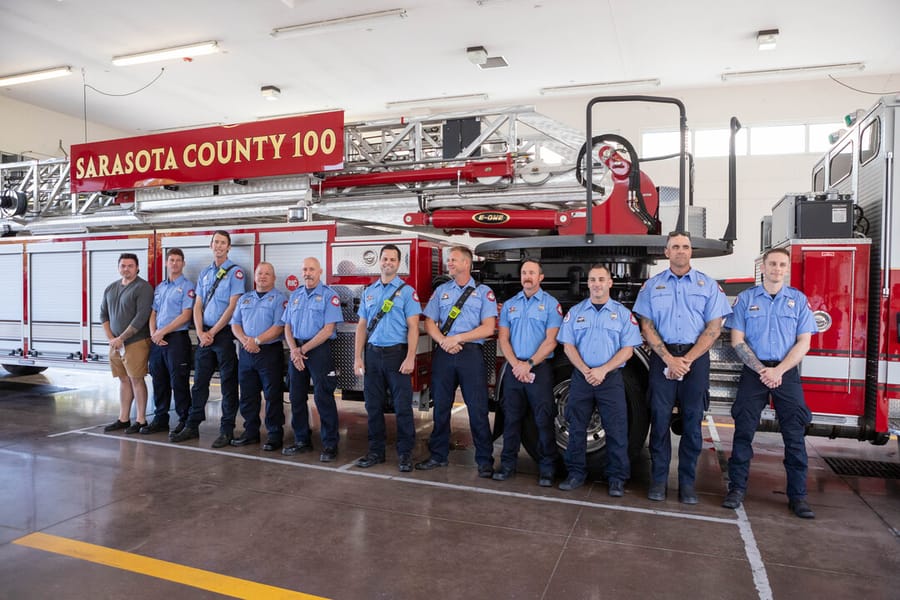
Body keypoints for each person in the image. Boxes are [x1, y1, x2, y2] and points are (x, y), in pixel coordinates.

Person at [632, 231, 731, 504]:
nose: (680, 251)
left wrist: (686, 360)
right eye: (675, 246)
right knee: (660, 421)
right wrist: (668, 359)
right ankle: (659, 481)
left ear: (691, 252)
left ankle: (687, 484)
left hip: (694, 360)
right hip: (663, 358)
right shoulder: (652, 286)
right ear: (666, 252)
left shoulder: (707, 285)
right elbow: (647, 327)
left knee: (692, 423)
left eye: (685, 247)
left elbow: (714, 328)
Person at [723, 247, 818, 518]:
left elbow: (804, 342)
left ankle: (798, 497)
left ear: (787, 269)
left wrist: (779, 371)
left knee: (795, 435)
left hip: (786, 374)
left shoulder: (798, 301)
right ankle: (736, 489)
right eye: (773, 264)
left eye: (782, 265)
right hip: (755, 373)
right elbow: (737, 340)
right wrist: (762, 369)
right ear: (762, 268)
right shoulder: (745, 299)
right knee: (743, 432)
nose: (777, 269)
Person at [557, 264, 643, 495]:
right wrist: (586, 370)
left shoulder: (623, 314)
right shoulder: (575, 312)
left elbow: (628, 350)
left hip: (610, 379)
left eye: (601, 279)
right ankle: (575, 474)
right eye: (593, 279)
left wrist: (603, 370)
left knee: (616, 430)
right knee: (576, 428)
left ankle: (616, 478)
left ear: (610, 283)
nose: (597, 284)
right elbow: (568, 346)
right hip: (582, 377)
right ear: (588, 284)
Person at [416, 246, 497, 477]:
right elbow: (429, 321)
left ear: (466, 263)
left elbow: (488, 327)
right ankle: (438, 456)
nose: (449, 263)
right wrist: (443, 340)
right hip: (444, 352)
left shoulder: (484, 293)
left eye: (453, 260)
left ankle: (484, 461)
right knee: (441, 407)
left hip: (470, 354)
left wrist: (458, 338)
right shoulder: (441, 291)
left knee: (477, 409)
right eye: (448, 260)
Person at [171, 230, 246, 447]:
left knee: (228, 386)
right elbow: (197, 305)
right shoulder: (204, 274)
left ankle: (227, 430)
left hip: (222, 337)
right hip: (204, 336)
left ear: (228, 247)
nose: (219, 246)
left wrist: (212, 333)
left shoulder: (236, 273)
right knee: (199, 385)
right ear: (211, 246)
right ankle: (192, 426)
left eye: (223, 243)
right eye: (216, 242)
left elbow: (233, 306)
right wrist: (201, 332)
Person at [493, 259, 562, 487]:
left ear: (541, 277)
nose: (527, 276)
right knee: (511, 420)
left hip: (539, 370)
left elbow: (551, 341)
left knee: (543, 420)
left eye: (532, 272)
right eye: (524, 272)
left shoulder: (551, 305)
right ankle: (507, 466)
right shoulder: (510, 305)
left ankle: (547, 470)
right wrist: (516, 365)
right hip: (514, 369)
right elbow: (503, 338)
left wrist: (529, 364)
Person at [353, 244, 421, 472]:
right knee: (373, 406)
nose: (388, 262)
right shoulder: (369, 292)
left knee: (402, 408)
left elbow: (413, 327)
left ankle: (405, 454)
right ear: (379, 261)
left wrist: (411, 357)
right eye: (385, 259)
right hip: (372, 355)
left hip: (397, 355)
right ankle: (376, 452)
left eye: (393, 259)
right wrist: (358, 358)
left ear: (398, 263)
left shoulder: (407, 292)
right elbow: (362, 326)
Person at [281, 257, 342, 462]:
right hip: (296, 349)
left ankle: (330, 444)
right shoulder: (295, 295)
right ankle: (301, 441)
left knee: (322, 397)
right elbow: (287, 326)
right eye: (305, 269)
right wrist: (294, 350)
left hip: (318, 350)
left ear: (320, 271)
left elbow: (328, 330)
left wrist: (302, 350)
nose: (307, 273)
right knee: (296, 397)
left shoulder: (328, 296)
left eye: (311, 269)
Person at [230, 262, 287, 450]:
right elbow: (235, 324)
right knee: (248, 394)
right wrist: (246, 341)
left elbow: (279, 326)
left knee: (272, 395)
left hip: (269, 353)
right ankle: (251, 432)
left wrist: (257, 341)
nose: (263, 277)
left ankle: (274, 435)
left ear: (274, 278)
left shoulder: (280, 299)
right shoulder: (245, 299)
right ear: (254, 276)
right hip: (246, 352)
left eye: (267, 274)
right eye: (260, 273)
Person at [141, 248, 195, 435]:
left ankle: (184, 420)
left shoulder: (187, 287)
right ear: (166, 263)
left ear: (183, 263)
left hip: (176, 339)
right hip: (158, 340)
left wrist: (162, 332)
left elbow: (186, 315)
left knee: (178, 381)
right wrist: (154, 333)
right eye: (171, 260)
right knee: (159, 380)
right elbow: (153, 312)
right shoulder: (160, 287)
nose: (174, 263)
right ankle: (160, 418)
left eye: (178, 260)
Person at [101, 253, 154, 434]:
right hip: (116, 344)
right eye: (123, 265)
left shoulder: (143, 288)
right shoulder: (110, 288)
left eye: (130, 266)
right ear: (118, 268)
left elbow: (141, 318)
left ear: (137, 268)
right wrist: (111, 339)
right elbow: (103, 315)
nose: (126, 269)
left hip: (135, 342)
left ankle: (141, 420)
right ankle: (123, 418)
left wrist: (121, 338)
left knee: (136, 379)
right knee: (123, 380)